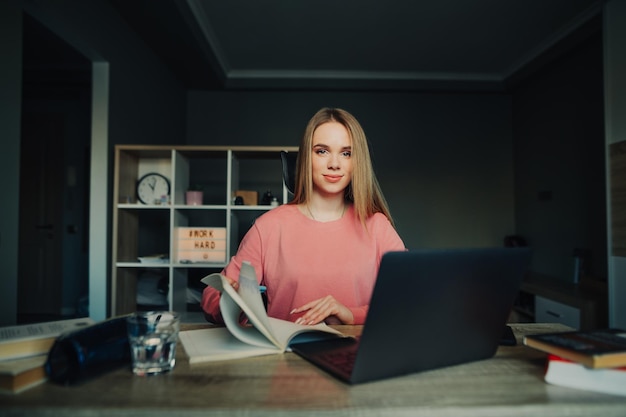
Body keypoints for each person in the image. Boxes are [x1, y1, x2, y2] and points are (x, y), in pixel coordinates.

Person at [201, 107, 405, 325]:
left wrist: (350, 314)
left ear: (357, 162)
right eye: (322, 151)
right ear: (306, 157)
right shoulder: (269, 226)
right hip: (286, 356)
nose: (334, 164)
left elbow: (408, 298)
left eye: (346, 153)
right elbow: (211, 298)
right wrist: (232, 299)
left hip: (356, 355)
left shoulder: (376, 227)